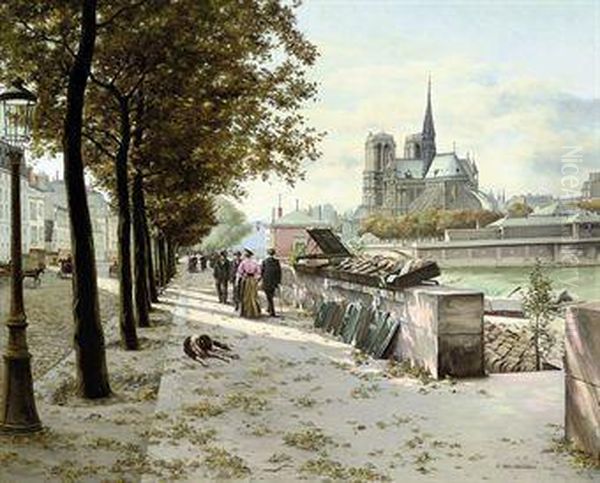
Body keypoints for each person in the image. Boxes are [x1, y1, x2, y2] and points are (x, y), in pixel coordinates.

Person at [237, 248, 261, 318]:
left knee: (245, 295)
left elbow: (239, 272)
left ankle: (246, 312)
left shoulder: (243, 262)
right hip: (253, 280)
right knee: (253, 295)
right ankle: (254, 312)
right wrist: (256, 279)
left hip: (246, 280)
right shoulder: (255, 262)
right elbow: (259, 272)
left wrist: (241, 278)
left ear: (246, 255)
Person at [261, 248, 282, 317]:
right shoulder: (276, 262)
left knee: (269, 297)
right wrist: (278, 282)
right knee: (271, 296)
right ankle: (269, 309)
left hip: (266, 282)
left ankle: (272, 312)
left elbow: (262, 272)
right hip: (274, 283)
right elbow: (279, 273)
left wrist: (261, 280)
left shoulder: (264, 261)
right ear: (274, 254)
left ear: (268, 254)